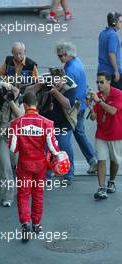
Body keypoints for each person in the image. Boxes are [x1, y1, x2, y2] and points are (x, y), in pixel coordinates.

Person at [9, 91, 61, 242]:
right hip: (40, 165)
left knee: (23, 194)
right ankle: (37, 224)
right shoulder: (47, 123)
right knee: (38, 194)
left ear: (24, 105)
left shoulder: (16, 123)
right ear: (36, 104)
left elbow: (13, 148)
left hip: (24, 164)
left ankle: (25, 223)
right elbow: (53, 147)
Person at [26, 68, 77, 185]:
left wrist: (55, 92)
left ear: (63, 79)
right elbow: (27, 92)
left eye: (59, 82)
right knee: (46, 149)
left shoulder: (70, 85)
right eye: (54, 81)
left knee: (64, 146)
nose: (56, 84)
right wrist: (39, 85)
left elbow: (68, 105)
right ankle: (47, 175)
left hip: (64, 122)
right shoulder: (45, 80)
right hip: (46, 121)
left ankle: (69, 173)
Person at [56, 41, 97, 174]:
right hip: (82, 104)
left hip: (73, 108)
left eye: (61, 56)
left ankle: (68, 171)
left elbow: (66, 92)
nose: (60, 58)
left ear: (68, 55)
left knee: (64, 139)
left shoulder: (70, 71)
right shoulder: (76, 61)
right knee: (79, 133)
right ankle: (92, 159)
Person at [0, 81, 25, 207]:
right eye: (12, 88)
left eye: (15, 89)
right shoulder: (1, 95)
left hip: (16, 138)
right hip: (1, 135)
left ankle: (18, 189)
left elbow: (21, 116)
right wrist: (1, 84)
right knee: (4, 167)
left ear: (19, 90)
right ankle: (7, 197)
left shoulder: (21, 99)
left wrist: (11, 101)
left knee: (16, 165)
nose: (13, 91)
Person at [90, 72, 122, 200]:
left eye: (101, 82)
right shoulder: (97, 96)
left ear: (109, 82)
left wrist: (99, 102)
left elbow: (113, 111)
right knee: (101, 160)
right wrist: (91, 108)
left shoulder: (118, 94)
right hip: (101, 133)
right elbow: (93, 117)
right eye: (97, 82)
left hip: (116, 133)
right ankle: (101, 188)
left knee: (115, 161)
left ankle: (112, 181)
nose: (99, 85)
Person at [98, 12, 122, 90]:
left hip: (102, 70)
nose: (121, 23)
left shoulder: (103, 33)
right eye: (120, 21)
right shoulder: (113, 35)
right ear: (114, 22)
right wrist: (116, 70)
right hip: (111, 72)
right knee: (117, 98)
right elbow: (111, 54)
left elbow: (106, 47)